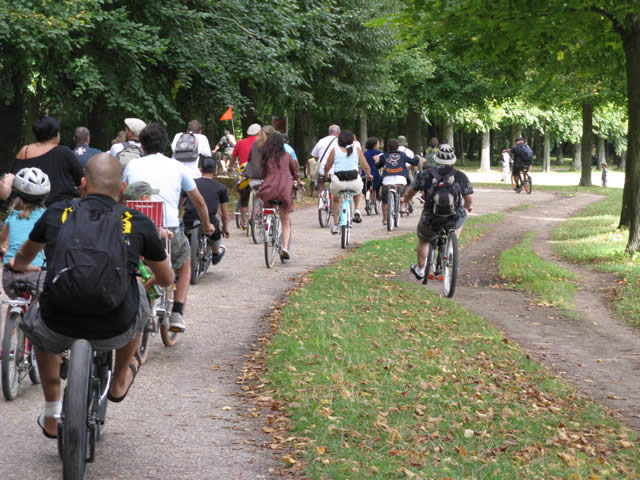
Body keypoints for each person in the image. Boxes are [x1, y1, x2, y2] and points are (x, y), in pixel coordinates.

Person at [10, 153, 174, 438]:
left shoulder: (57, 212)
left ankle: (51, 410)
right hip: (114, 327)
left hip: (57, 323)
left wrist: (21, 266)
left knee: (39, 310)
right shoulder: (137, 221)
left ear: (83, 183)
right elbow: (168, 278)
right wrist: (146, 284)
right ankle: (120, 378)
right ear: (122, 189)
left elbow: (24, 257)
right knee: (136, 291)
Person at [123, 123, 214, 332]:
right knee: (185, 261)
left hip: (135, 226)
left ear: (142, 146)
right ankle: (178, 313)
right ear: (166, 145)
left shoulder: (132, 166)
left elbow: (122, 194)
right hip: (168, 226)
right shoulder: (178, 167)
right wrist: (207, 224)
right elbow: (198, 201)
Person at [403, 143, 473, 280]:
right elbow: (469, 198)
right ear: (453, 159)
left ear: (436, 158)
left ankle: (421, 269)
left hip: (431, 217)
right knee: (462, 217)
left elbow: (411, 191)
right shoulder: (460, 176)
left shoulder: (425, 174)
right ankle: (452, 245)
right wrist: (466, 208)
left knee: (424, 239)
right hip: (453, 216)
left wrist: (405, 201)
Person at [0, 168, 49, 299]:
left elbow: (1, 240)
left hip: (9, 278)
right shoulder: (46, 217)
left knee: (15, 302)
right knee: (39, 305)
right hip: (36, 277)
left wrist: (3, 248)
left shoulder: (13, 215)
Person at [12, 116, 83, 206]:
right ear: (56, 134)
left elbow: (14, 179)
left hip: (28, 209)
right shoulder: (64, 152)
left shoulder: (24, 151)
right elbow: (81, 180)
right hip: (59, 210)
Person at [257, 133, 300, 259]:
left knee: (267, 207)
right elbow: (295, 171)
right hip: (284, 190)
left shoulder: (266, 157)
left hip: (269, 189)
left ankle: (267, 223)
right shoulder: (287, 155)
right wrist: (298, 179)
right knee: (285, 220)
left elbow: (263, 173)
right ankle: (285, 248)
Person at [182, 156, 230, 264]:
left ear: (200, 169)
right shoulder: (221, 188)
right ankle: (216, 253)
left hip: (189, 218)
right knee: (215, 227)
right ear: (215, 171)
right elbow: (224, 214)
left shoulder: (191, 183)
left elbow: (180, 203)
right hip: (209, 220)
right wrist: (225, 228)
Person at [322, 130, 372, 234]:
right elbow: (365, 166)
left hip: (338, 182)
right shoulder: (357, 150)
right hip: (353, 181)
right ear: (352, 140)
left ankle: (335, 224)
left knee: (336, 200)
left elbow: (327, 166)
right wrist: (368, 175)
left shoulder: (334, 150)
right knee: (358, 192)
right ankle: (357, 209)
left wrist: (326, 176)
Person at [375, 138, 419, 226]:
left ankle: (385, 219)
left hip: (386, 181)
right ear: (398, 147)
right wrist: (418, 158)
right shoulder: (402, 155)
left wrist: (377, 161)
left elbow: (378, 166)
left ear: (387, 147)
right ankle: (403, 202)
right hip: (400, 181)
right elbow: (414, 162)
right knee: (404, 189)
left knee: (385, 201)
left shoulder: (384, 155)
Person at [230, 124, 261, 228]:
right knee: (260, 193)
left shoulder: (240, 143)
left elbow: (233, 158)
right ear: (258, 133)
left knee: (243, 197)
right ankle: (257, 214)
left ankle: (243, 221)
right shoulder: (261, 143)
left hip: (244, 173)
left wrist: (230, 167)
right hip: (258, 173)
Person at [311, 124, 340, 193]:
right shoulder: (341, 142)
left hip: (322, 170)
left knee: (320, 182)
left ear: (329, 132)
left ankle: (321, 198)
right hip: (335, 171)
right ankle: (334, 198)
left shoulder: (321, 141)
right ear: (339, 133)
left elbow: (314, 156)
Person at [362, 137, 382, 204]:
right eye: (378, 144)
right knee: (379, 181)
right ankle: (378, 194)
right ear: (375, 145)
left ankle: (366, 195)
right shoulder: (379, 153)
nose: (379, 145)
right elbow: (383, 161)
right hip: (375, 173)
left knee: (366, 185)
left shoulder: (364, 153)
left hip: (365, 173)